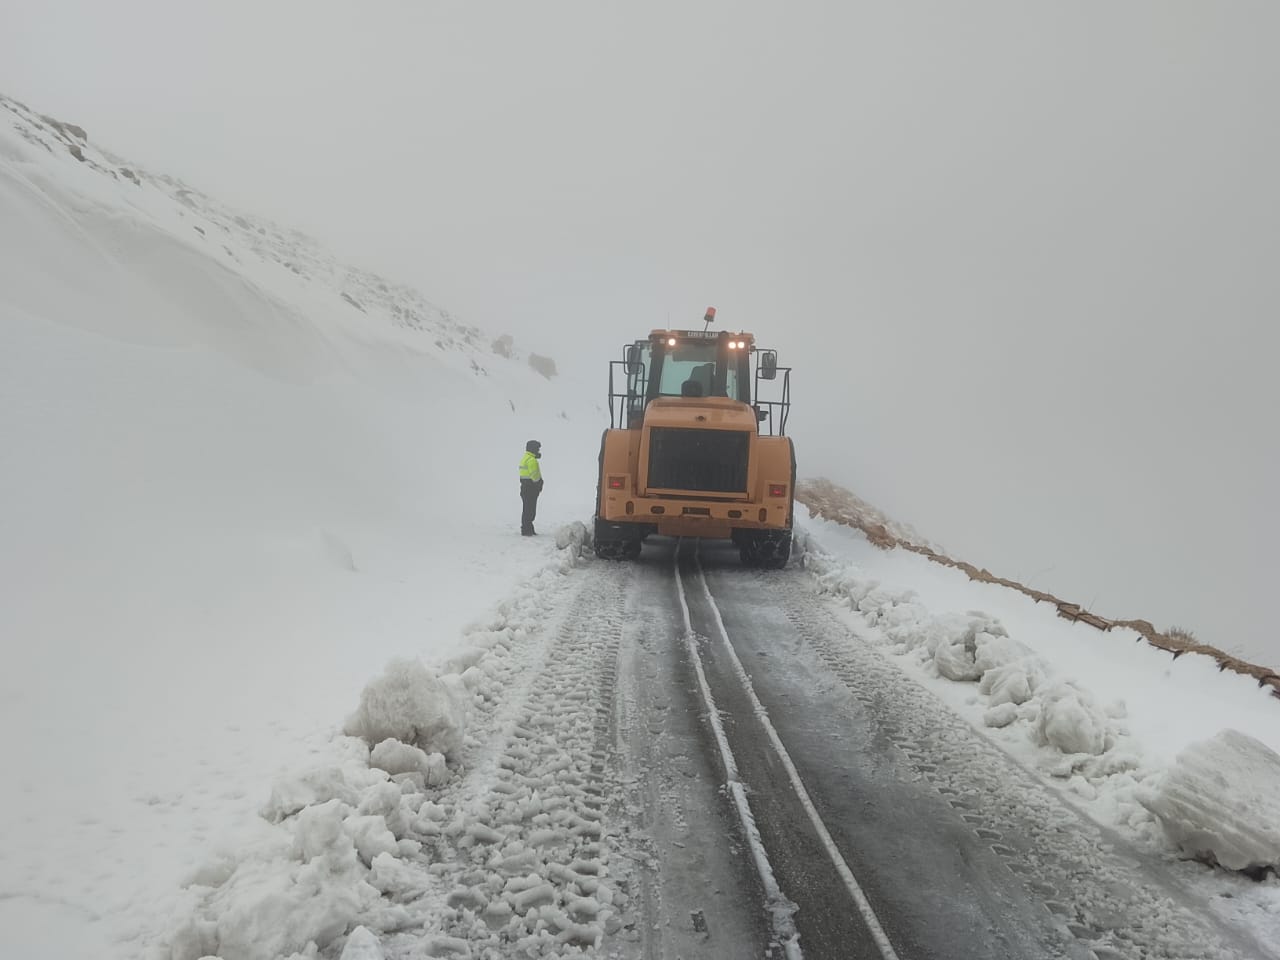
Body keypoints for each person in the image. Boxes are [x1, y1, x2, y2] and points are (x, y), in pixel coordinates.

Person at [518, 440, 543, 536]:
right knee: (530, 510)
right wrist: (540, 483)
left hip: (525, 487)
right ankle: (527, 530)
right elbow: (535, 476)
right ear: (533, 449)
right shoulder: (532, 460)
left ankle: (527, 528)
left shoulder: (525, 458)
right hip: (531, 489)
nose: (539, 451)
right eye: (537, 449)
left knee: (526, 509)